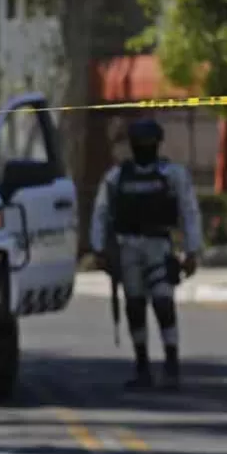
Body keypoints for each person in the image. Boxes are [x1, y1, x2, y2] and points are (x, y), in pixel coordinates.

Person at [90, 117, 202, 390]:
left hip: (159, 245)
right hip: (128, 246)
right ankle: (142, 366)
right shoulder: (117, 177)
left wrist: (192, 250)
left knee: (164, 303)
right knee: (135, 306)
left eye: (149, 143)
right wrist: (99, 249)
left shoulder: (172, 174)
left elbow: (189, 211)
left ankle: (171, 364)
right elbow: (101, 213)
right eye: (140, 143)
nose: (145, 147)